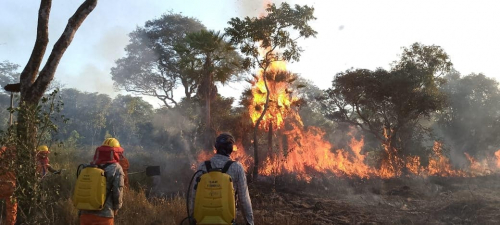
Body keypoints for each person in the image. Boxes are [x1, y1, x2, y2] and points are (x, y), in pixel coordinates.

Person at [190, 133, 254, 225]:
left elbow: (193, 195)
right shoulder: (237, 167)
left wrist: (192, 218)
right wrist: (250, 222)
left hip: (202, 220)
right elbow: (244, 199)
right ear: (231, 148)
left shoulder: (202, 166)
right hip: (227, 220)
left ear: (216, 148)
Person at [79, 138, 124, 225]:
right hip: (105, 215)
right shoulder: (116, 168)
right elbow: (117, 191)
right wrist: (116, 207)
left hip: (84, 214)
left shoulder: (89, 166)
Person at [0, 146, 16, 225]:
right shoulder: (17, 162)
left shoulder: (2, 161)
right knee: (12, 210)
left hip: (4, 187)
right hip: (11, 189)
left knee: (11, 210)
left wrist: (3, 149)